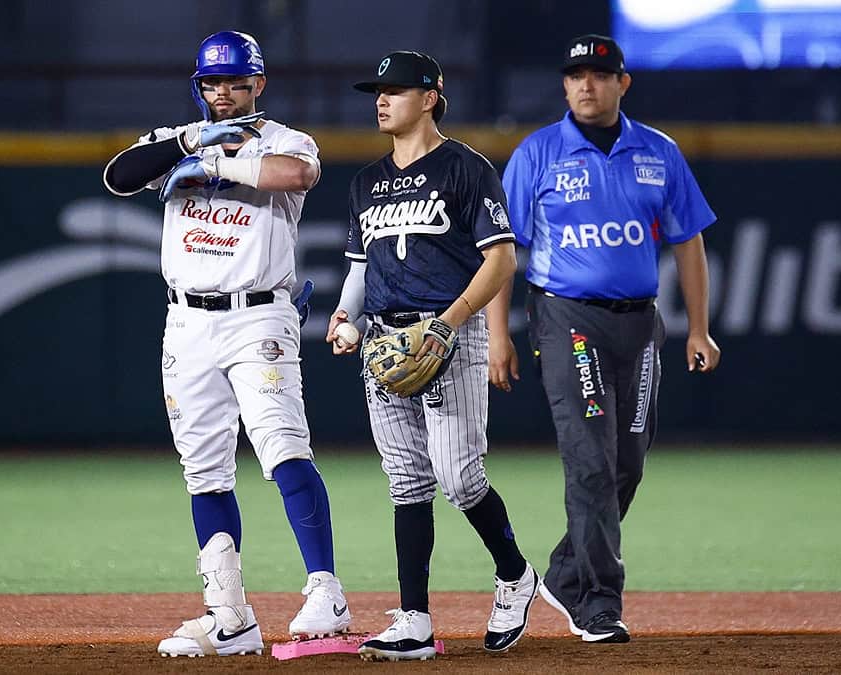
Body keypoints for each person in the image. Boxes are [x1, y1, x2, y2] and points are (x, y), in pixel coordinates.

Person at [102, 30, 350, 658]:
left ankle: (326, 589)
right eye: (213, 83)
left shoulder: (283, 139)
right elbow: (118, 176)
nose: (224, 93)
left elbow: (298, 174)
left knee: (282, 446)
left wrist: (216, 163)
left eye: (237, 81)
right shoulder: (175, 138)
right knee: (204, 469)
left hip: (256, 316)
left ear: (258, 83)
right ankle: (230, 616)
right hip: (186, 323)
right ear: (199, 87)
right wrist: (186, 143)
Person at [499, 34, 721, 644]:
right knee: (590, 461)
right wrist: (499, 336)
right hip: (567, 317)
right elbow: (502, 252)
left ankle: (568, 573)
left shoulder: (659, 151)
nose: (586, 86)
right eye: (575, 76)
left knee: (627, 462)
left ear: (623, 83)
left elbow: (689, 240)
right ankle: (599, 601)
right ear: (564, 86)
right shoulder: (538, 153)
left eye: (599, 75)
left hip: (641, 322)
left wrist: (698, 327)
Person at [326, 50, 539, 661]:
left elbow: (501, 259)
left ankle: (514, 574)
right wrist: (347, 315)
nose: (381, 99)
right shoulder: (367, 181)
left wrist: (450, 323)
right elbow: (360, 266)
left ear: (430, 96)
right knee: (406, 482)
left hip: (450, 333)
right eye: (378, 91)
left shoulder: (466, 168)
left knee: (460, 475)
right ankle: (415, 620)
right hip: (385, 344)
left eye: (395, 90)